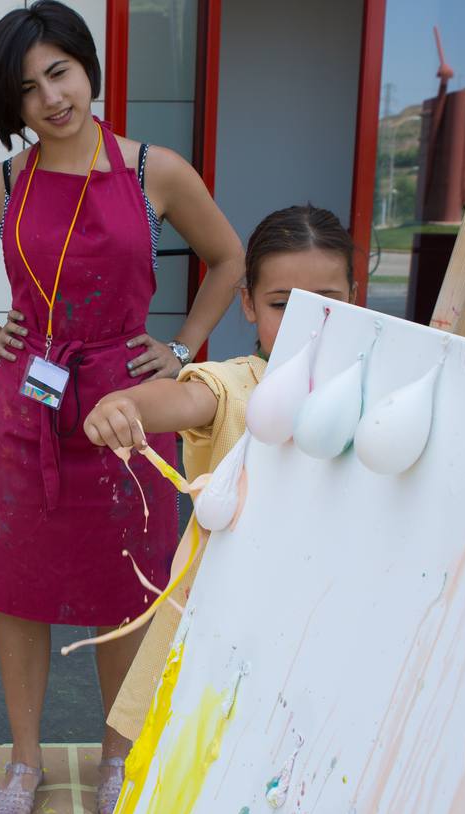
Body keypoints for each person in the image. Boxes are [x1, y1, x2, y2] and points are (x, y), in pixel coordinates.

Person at [0, 0, 244, 814]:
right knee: (18, 590)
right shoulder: (1, 184)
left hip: (128, 405)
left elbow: (227, 256)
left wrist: (183, 346)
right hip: (28, 403)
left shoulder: (153, 172)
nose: (50, 98)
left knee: (124, 590)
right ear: (12, 107)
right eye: (27, 89)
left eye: (59, 72)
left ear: (86, 67)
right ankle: (25, 759)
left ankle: (115, 754)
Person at [85, 205, 355, 744]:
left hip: (334, 618)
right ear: (249, 304)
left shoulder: (375, 389)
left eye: (330, 302)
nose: (310, 322)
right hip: (235, 622)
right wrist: (125, 403)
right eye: (284, 304)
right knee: (216, 750)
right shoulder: (235, 385)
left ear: (356, 295)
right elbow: (182, 398)